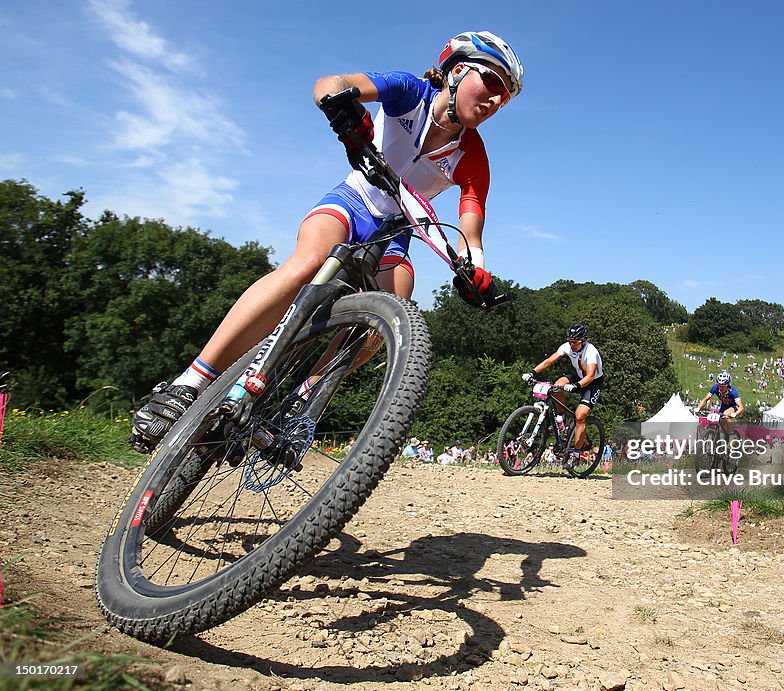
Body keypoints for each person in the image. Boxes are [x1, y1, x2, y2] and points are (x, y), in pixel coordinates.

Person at [129, 31, 525, 452]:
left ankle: (299, 407)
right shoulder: (410, 92)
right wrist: (341, 109)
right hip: (353, 201)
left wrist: (474, 271)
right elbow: (330, 84)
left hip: (396, 233)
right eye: (492, 84)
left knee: (387, 318)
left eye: (504, 98)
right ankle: (190, 383)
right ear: (458, 69)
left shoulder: (474, 156)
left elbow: (470, 229)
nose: (495, 101)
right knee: (308, 265)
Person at [523, 323, 604, 462]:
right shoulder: (567, 346)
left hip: (592, 383)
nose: (572, 345)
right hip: (578, 376)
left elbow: (590, 376)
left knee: (580, 416)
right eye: (570, 341)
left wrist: (576, 386)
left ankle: (576, 454)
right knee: (556, 387)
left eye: (575, 342)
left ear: (584, 340)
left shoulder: (591, 352)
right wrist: (532, 372)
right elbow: (549, 361)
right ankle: (560, 416)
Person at [696, 371, 744, 439]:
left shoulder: (733, 391)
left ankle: (731, 437)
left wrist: (735, 414)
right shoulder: (715, 388)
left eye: (722, 386)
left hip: (734, 406)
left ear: (727, 385)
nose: (720, 388)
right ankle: (719, 439)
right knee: (720, 422)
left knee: (726, 414)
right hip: (724, 405)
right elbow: (705, 399)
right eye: (719, 385)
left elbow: (741, 407)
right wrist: (698, 407)